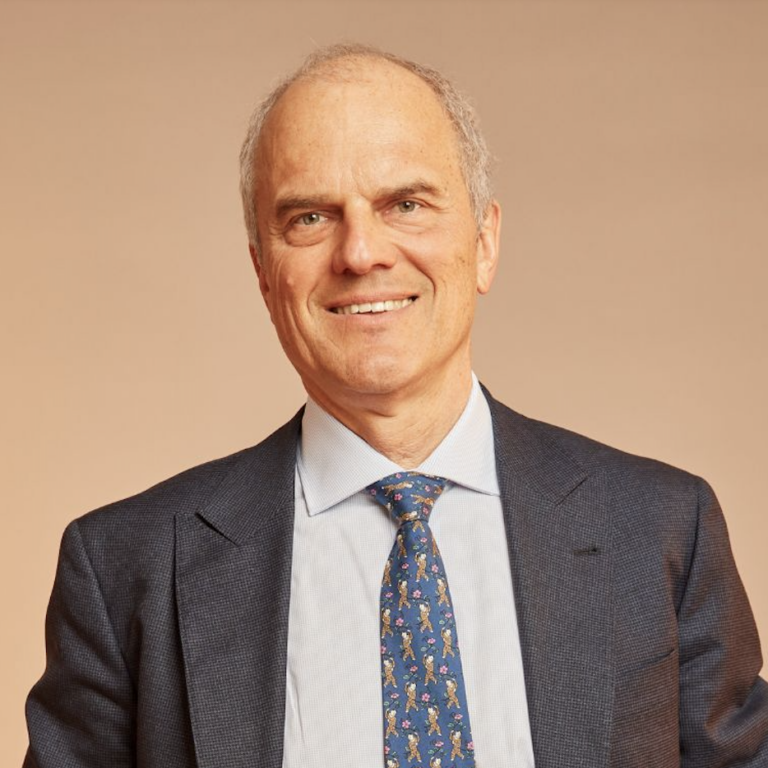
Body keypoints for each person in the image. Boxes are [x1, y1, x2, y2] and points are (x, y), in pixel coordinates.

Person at [24, 43, 768, 768]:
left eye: (405, 204)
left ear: (484, 243)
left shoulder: (661, 529)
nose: (360, 253)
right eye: (309, 218)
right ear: (263, 273)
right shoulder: (124, 567)